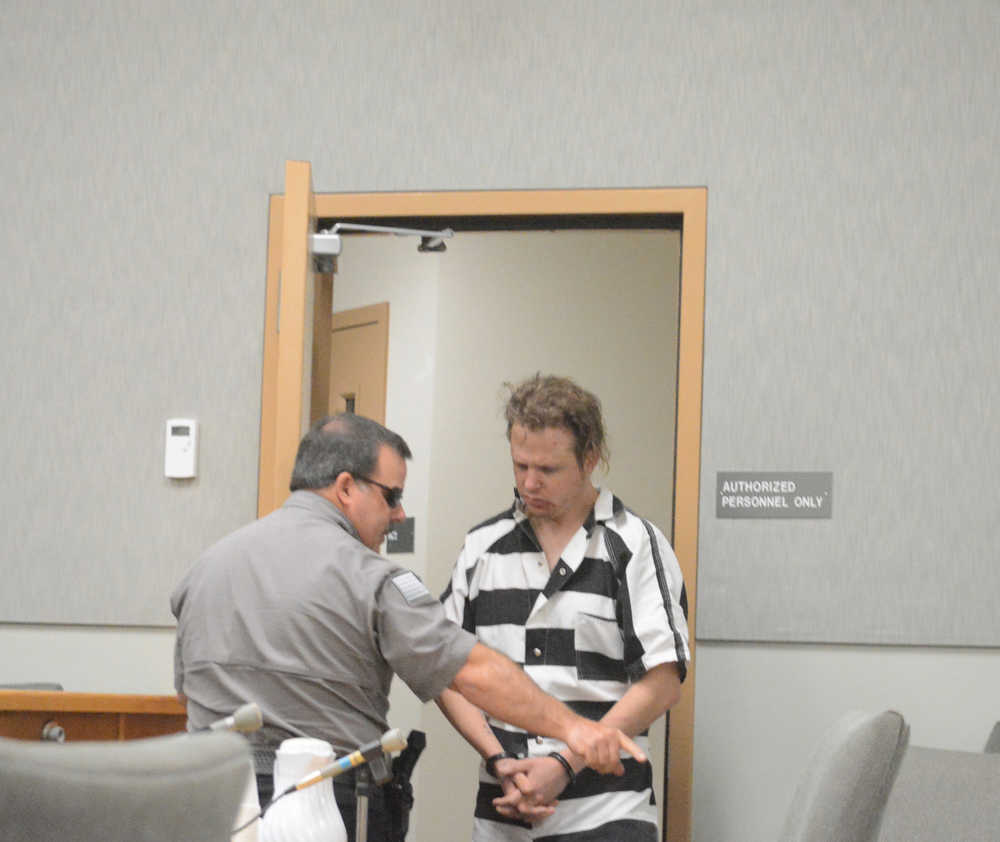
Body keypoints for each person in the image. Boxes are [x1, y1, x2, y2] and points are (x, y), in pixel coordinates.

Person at [171, 412, 641, 842]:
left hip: (208, 800)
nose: (399, 514)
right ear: (346, 487)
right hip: (324, 806)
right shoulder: (373, 579)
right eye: (392, 496)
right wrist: (576, 730)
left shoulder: (206, 567)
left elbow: (188, 693)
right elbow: (471, 670)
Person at [438, 374, 690, 841]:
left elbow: (663, 680)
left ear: (590, 459)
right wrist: (498, 759)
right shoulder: (482, 548)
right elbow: (442, 669)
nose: (529, 482)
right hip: (502, 813)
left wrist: (563, 764)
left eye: (548, 470)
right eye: (520, 466)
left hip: (607, 814)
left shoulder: (633, 545)